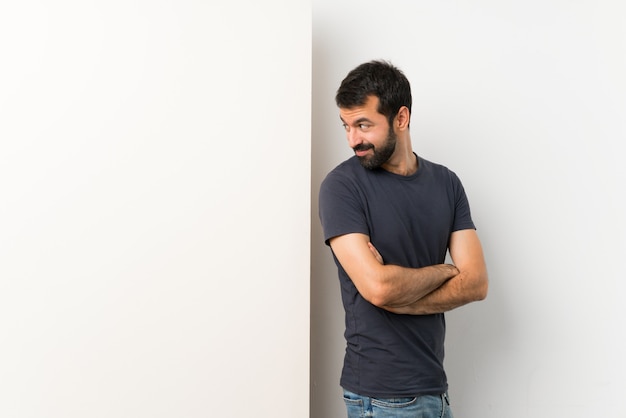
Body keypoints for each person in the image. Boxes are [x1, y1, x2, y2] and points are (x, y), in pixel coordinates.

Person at [318, 60, 489, 418]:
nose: (353, 140)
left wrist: (404, 299)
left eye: (363, 125)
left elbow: (475, 282)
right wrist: (444, 271)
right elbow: (380, 289)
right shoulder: (342, 187)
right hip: (380, 397)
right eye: (346, 126)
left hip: (435, 389)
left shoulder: (446, 183)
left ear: (401, 118)